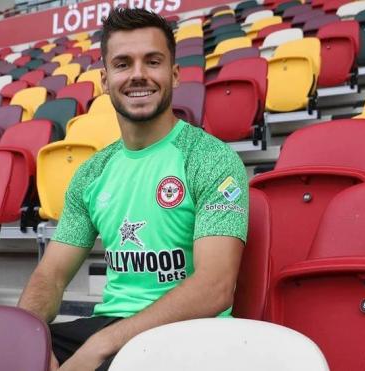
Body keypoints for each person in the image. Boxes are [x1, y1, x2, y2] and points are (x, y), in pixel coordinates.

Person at [18, 8, 249, 371]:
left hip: (189, 335)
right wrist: (27, 340)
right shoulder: (92, 173)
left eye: (152, 61)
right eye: (123, 64)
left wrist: (101, 345)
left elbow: (215, 287)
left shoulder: (211, 160)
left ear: (174, 75)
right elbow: (51, 275)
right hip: (111, 327)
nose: (138, 75)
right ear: (105, 79)